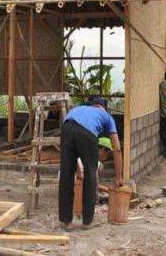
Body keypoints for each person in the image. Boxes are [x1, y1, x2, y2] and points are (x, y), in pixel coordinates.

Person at [58, 96, 123, 230]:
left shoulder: (78, 109)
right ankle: (87, 222)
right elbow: (116, 149)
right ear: (103, 107)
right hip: (87, 133)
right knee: (91, 175)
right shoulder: (107, 116)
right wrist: (118, 177)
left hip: (66, 127)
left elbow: (73, 153)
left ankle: (67, 222)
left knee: (66, 175)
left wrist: (77, 171)